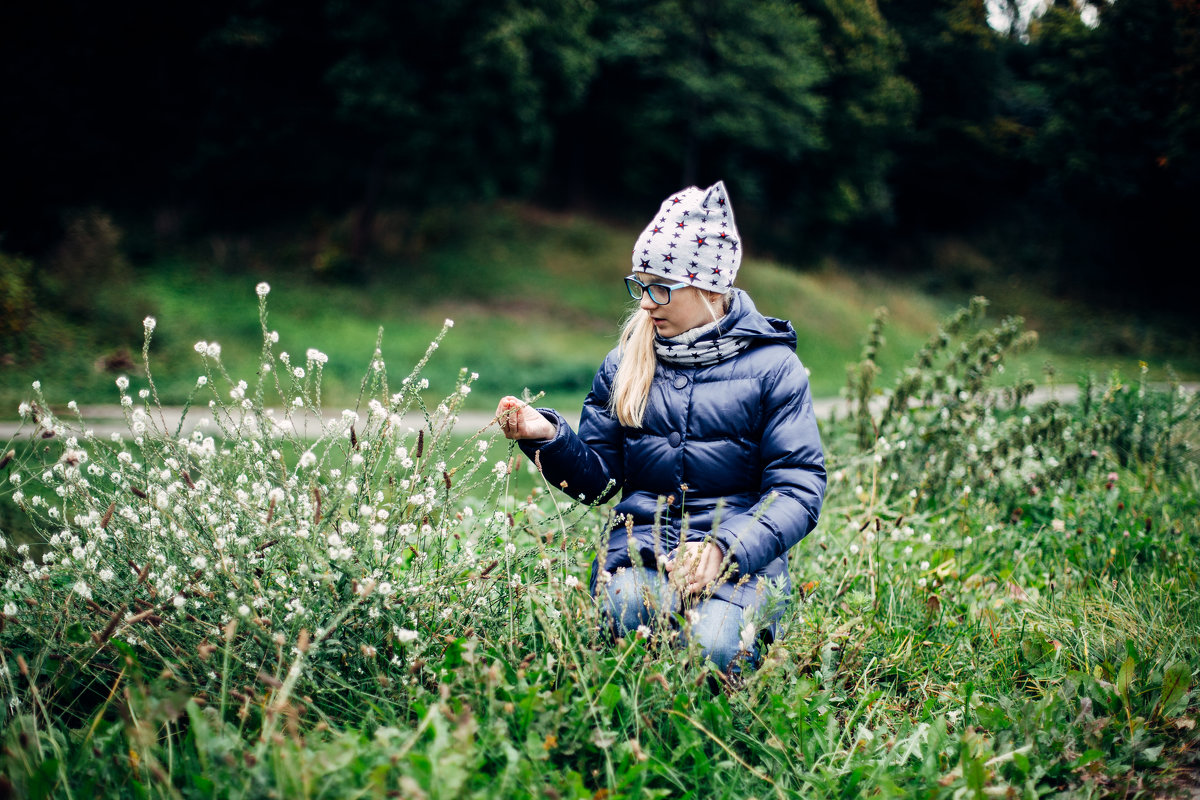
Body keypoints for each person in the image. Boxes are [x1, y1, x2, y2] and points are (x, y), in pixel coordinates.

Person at [496, 180, 825, 674]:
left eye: (660, 288)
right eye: (639, 285)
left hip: (741, 566)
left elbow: (798, 488)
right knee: (626, 624)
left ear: (710, 287)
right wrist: (549, 438)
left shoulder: (773, 369)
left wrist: (723, 549)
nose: (645, 303)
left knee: (712, 651)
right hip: (642, 554)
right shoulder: (625, 361)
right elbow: (601, 479)